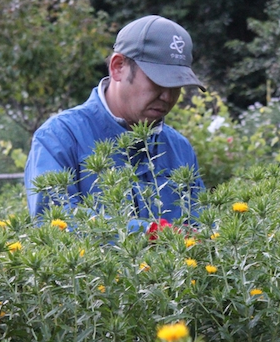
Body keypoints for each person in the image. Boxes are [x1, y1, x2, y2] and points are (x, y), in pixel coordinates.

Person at [24, 15, 206, 233]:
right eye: (158, 81)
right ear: (118, 67)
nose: (167, 96)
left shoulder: (180, 148)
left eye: (177, 85)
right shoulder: (59, 137)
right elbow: (53, 221)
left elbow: (203, 223)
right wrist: (150, 233)